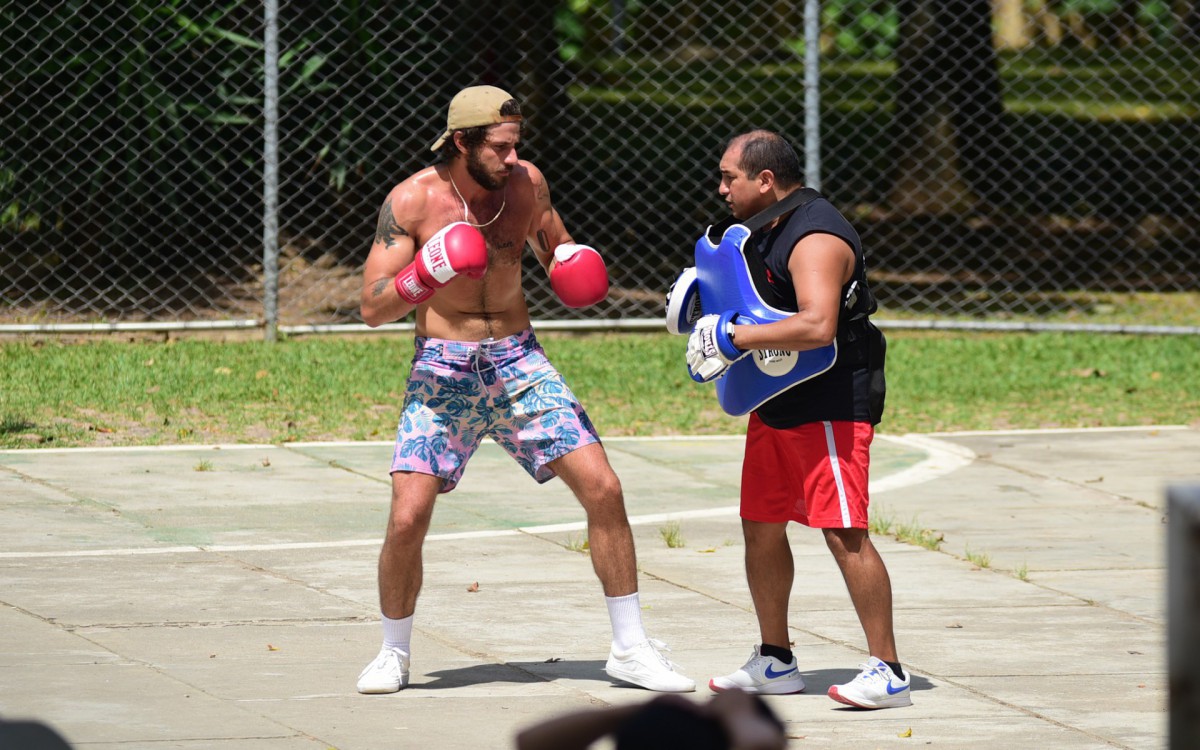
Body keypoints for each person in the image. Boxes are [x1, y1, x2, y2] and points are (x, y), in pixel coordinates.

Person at [354, 84, 694, 695]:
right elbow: (371, 307)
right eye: (501, 147)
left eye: (517, 145)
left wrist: (572, 259)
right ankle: (393, 652)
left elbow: (551, 245)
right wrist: (426, 271)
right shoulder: (412, 199)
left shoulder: (527, 185)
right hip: (443, 370)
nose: (512, 157)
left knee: (604, 487)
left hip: (518, 361)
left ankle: (631, 648)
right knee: (408, 516)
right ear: (462, 142)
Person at [683, 130, 910, 709]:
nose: (721, 188)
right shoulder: (761, 233)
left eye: (729, 177)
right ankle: (775, 659)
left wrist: (735, 337)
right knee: (760, 524)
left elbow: (817, 326)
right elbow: (754, 301)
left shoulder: (815, 234)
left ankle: (888, 670)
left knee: (843, 532)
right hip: (776, 399)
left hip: (830, 403)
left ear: (765, 181)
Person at [514, 690, 787, 750]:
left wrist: (630, 712)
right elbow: (759, 743)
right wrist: (738, 711)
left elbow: (529, 741)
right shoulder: (750, 733)